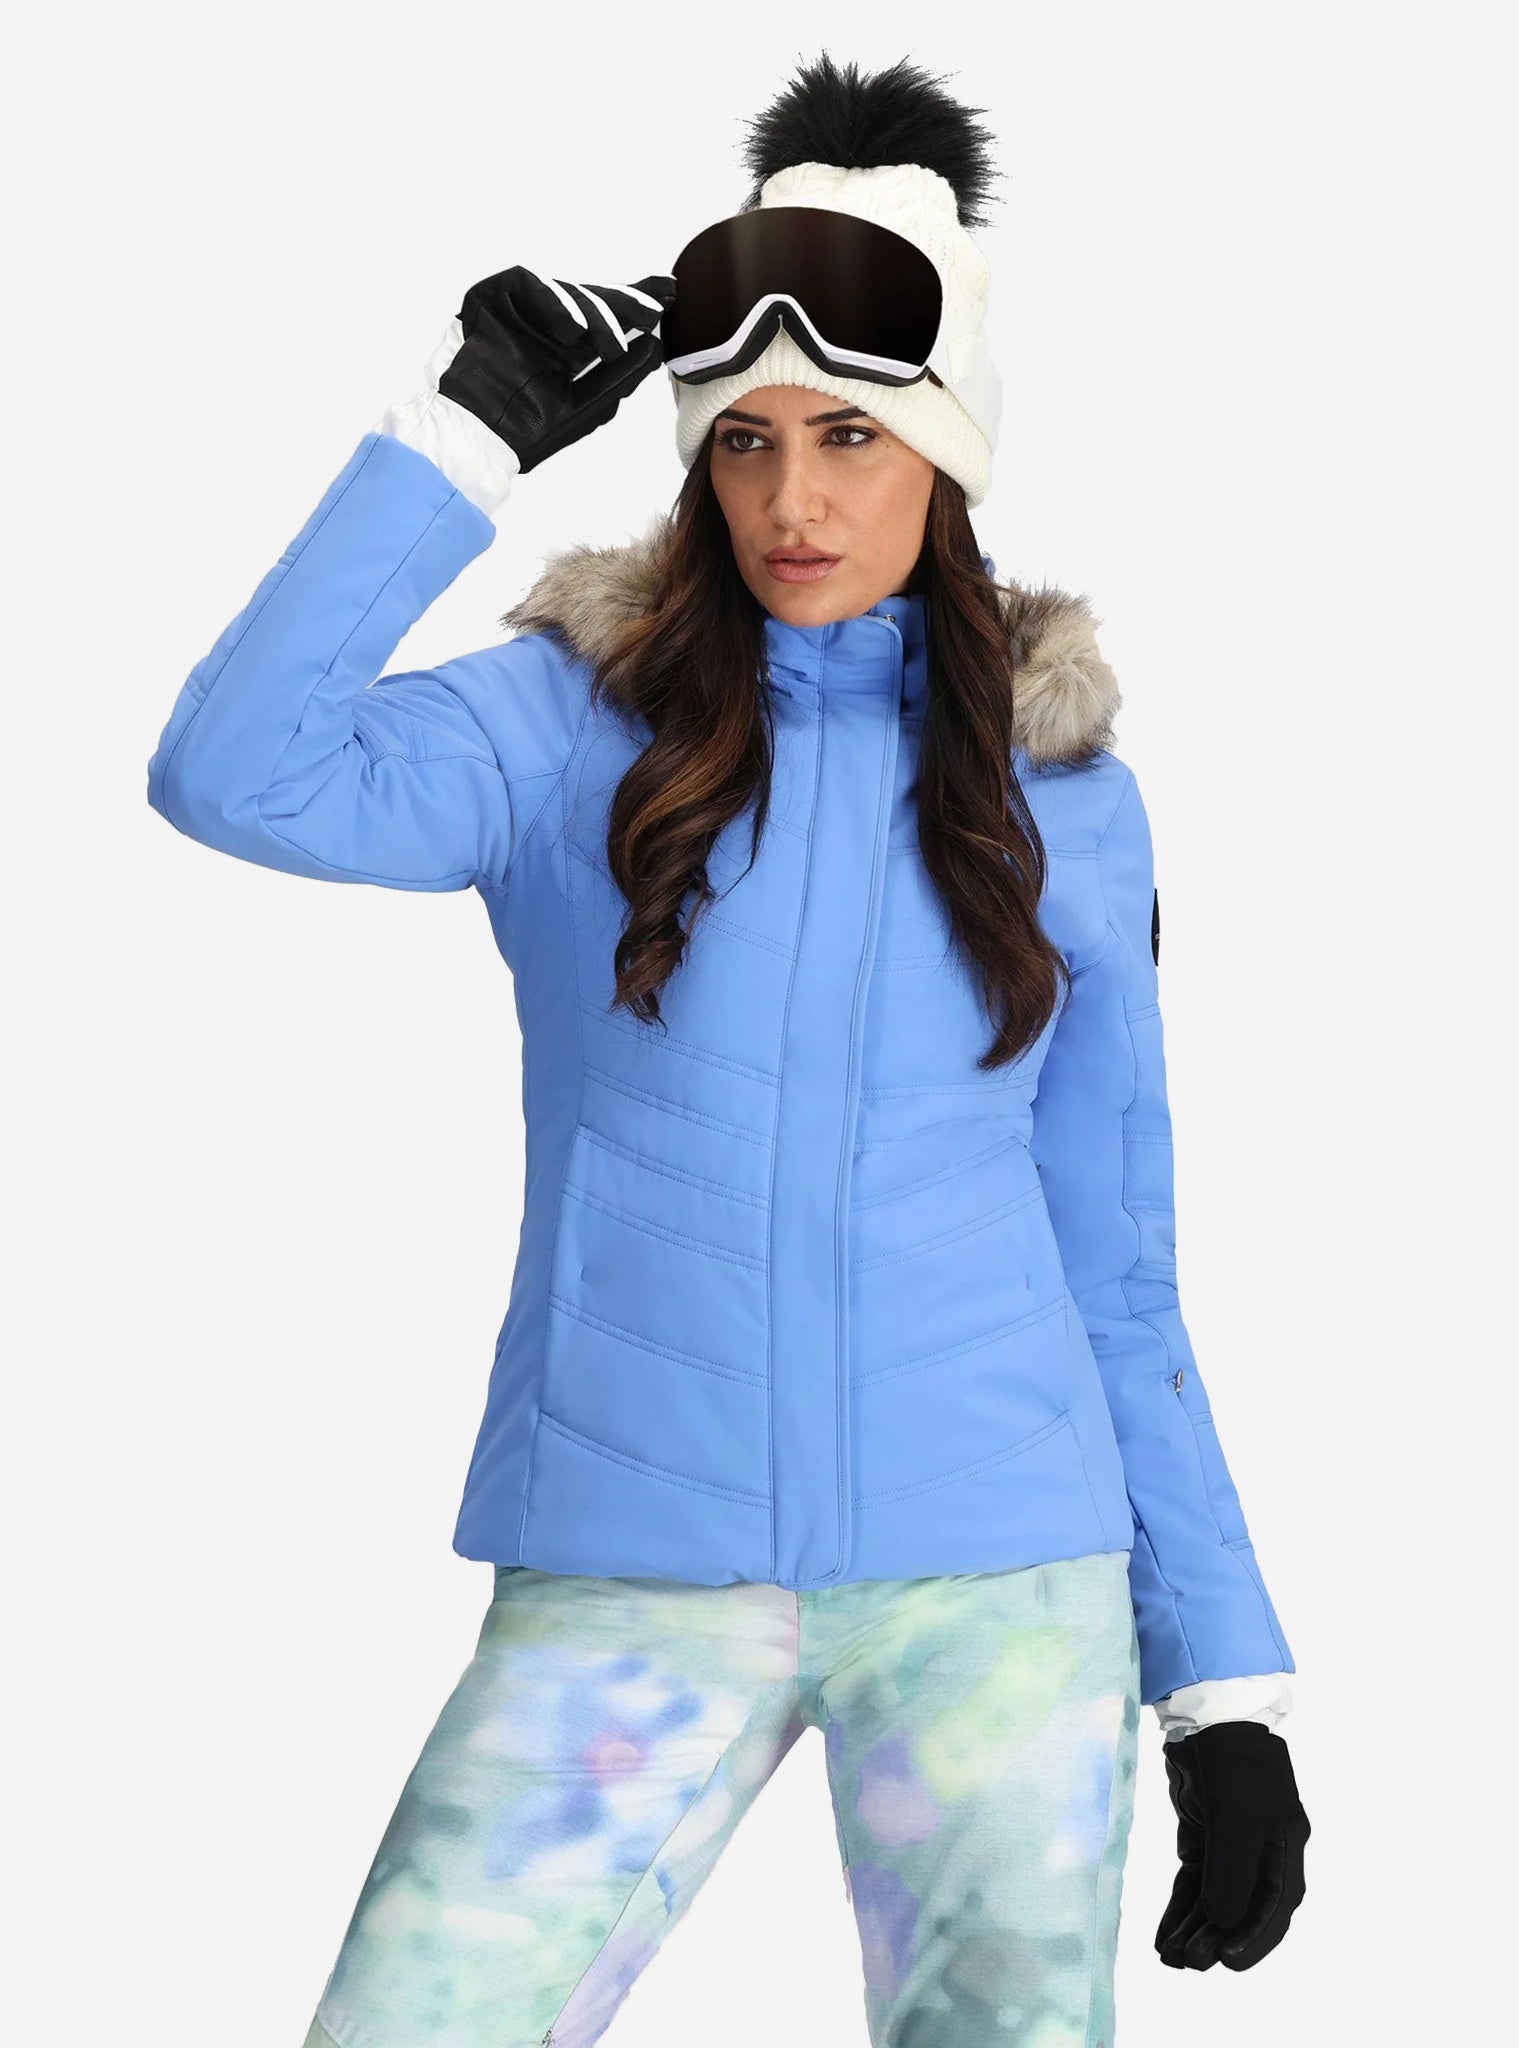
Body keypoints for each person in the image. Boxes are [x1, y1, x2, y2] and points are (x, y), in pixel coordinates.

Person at [145, 49, 1309, 2048]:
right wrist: (463, 437)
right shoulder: (561, 729)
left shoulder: (1067, 801)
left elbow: (1116, 1271)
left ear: (945, 452)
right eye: (746, 440)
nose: (793, 498)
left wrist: (1222, 1684)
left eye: (851, 434)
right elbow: (232, 772)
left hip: (1000, 1587)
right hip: (630, 1570)